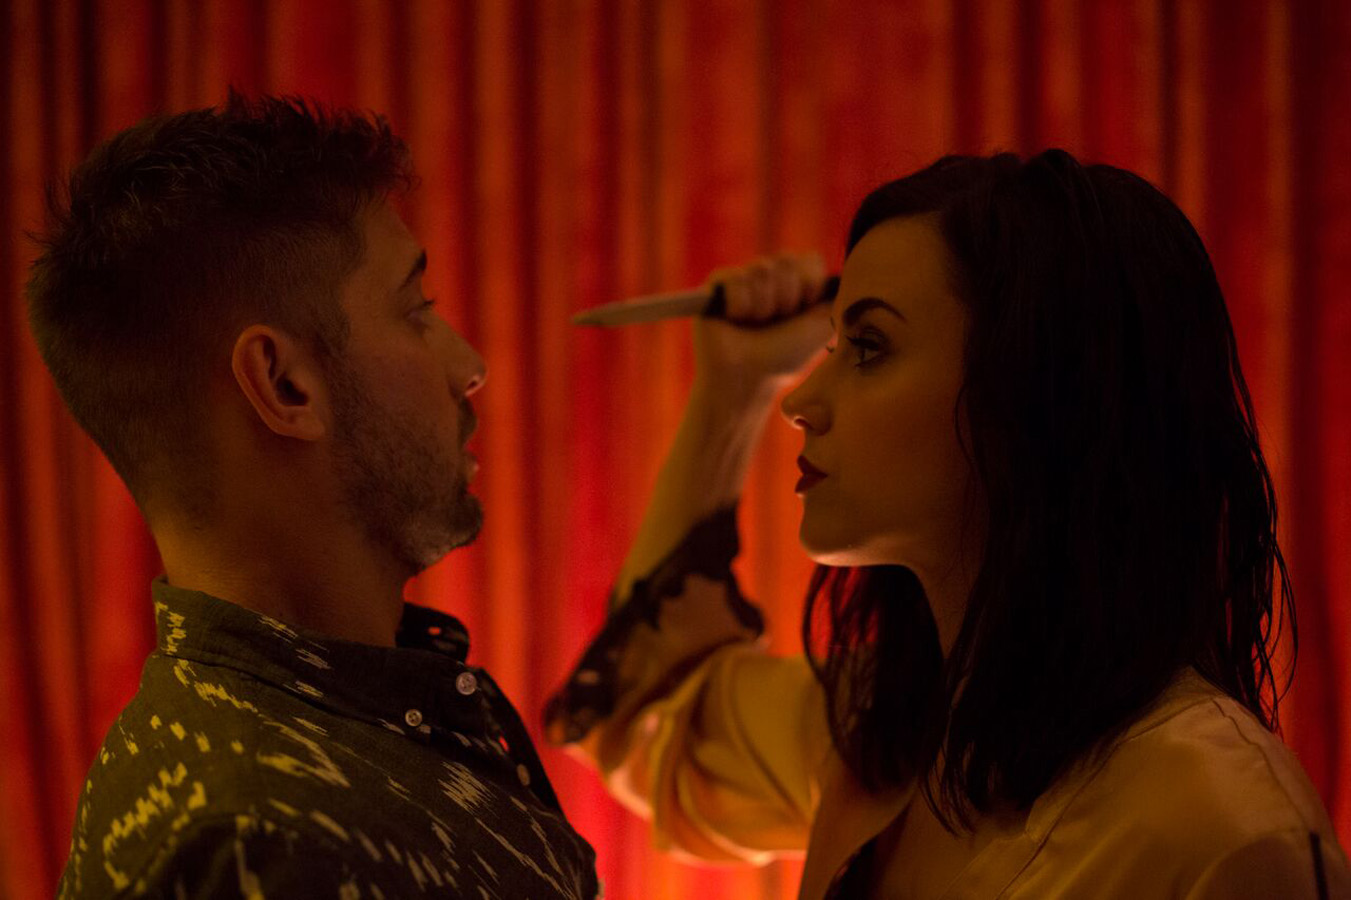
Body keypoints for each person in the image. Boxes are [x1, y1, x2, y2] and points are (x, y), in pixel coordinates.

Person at [544, 150, 1351, 898]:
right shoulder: (881, 725)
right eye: (834, 345)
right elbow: (638, 718)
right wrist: (731, 387)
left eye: (868, 347)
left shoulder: (1220, 824)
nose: (802, 401)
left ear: (1032, 391)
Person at [28, 91, 599, 899]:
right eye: (415, 311)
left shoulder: (336, 728)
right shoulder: (267, 844)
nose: (469, 367)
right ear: (283, 384)